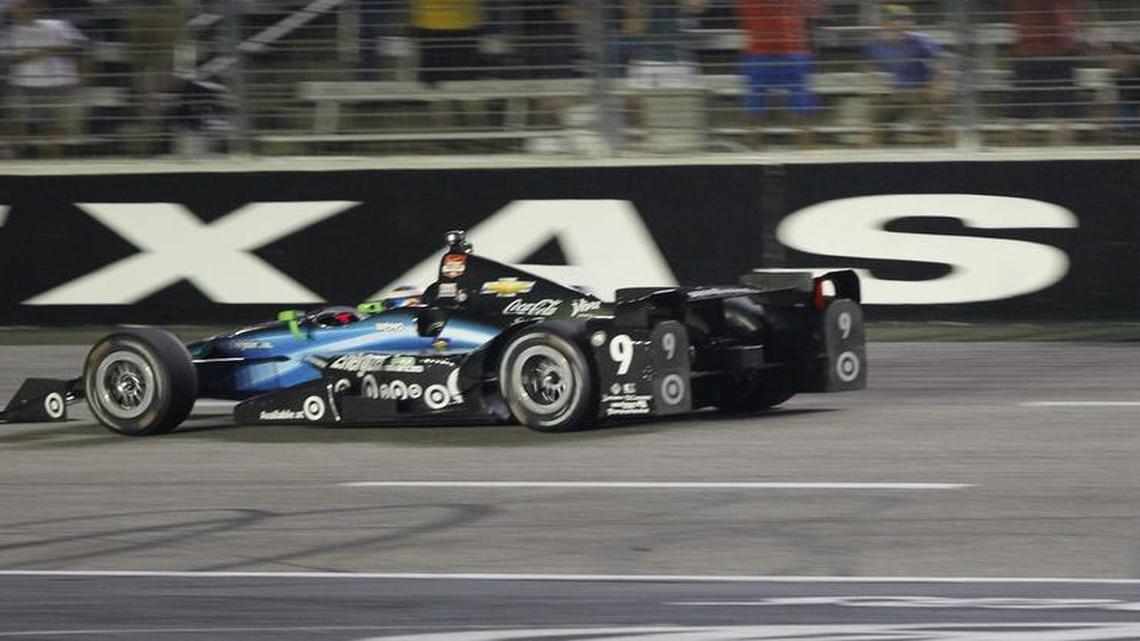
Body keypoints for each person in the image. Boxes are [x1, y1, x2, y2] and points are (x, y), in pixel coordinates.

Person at [733, 0, 826, 148]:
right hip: (762, 52)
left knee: (801, 98)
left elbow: (818, 10)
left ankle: (805, 144)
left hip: (792, 51)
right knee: (755, 99)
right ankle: (753, 144)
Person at [2, 0, 87, 158]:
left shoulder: (58, 25)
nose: (25, 10)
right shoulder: (8, 32)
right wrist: (48, 49)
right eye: (21, 7)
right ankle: (14, 163)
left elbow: (78, 48)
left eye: (29, 6)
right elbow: (13, 58)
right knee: (17, 126)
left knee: (53, 130)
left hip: (59, 84)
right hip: (23, 85)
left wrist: (79, 76)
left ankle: (53, 167)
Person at [1007, 0, 1096, 144]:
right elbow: (1082, 13)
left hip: (1036, 52)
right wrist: (1084, 35)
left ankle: (1013, 158)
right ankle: (1063, 158)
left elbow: (1082, 13)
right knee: (1062, 114)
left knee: (1020, 113)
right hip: (1051, 52)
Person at [864, 4, 949, 145]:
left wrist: (938, 86)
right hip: (896, 92)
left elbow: (942, 60)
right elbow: (869, 67)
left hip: (921, 91)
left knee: (913, 130)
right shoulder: (876, 44)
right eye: (897, 19)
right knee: (876, 113)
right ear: (884, 23)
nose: (903, 24)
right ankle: (876, 143)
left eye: (905, 20)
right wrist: (872, 85)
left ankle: (938, 136)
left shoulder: (921, 41)